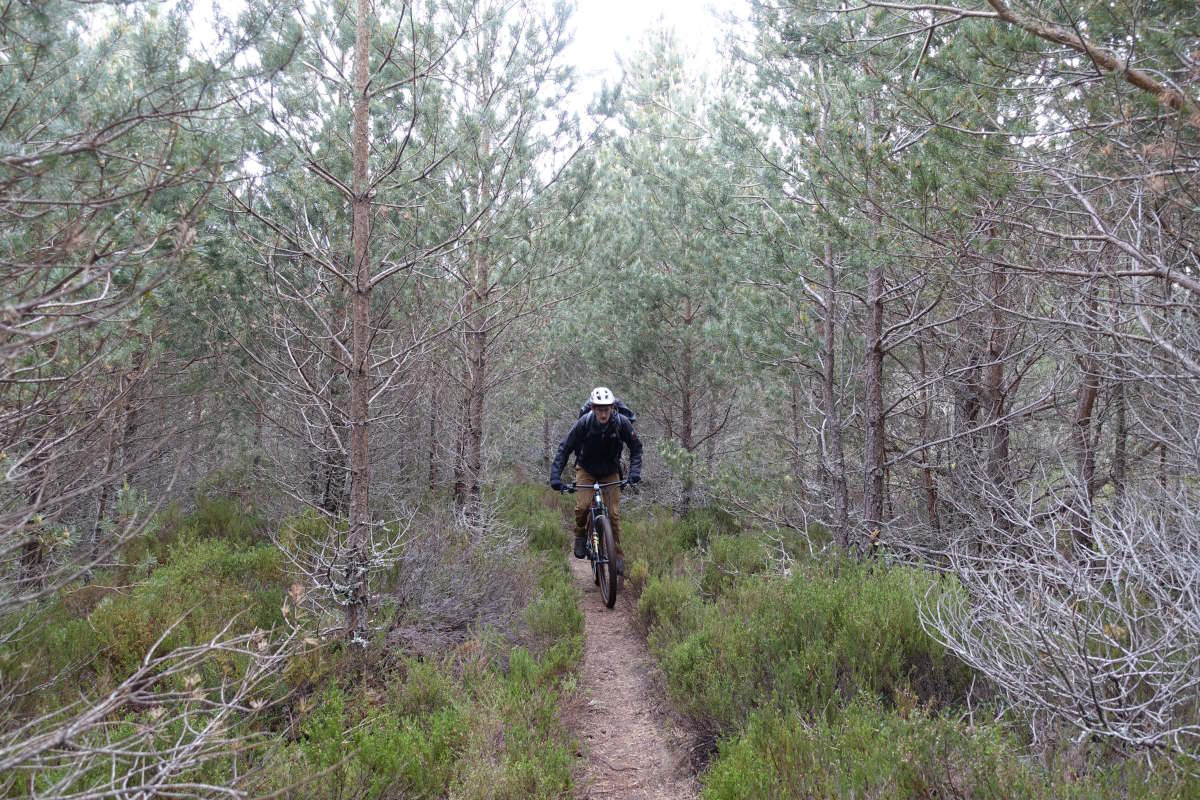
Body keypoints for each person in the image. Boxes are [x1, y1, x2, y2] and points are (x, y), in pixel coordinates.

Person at [549, 386, 642, 574]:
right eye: (599, 409)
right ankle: (581, 534)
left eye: (606, 409)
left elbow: (636, 448)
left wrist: (634, 473)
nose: (603, 413)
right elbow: (564, 448)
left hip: (610, 470)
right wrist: (555, 477)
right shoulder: (584, 423)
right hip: (587, 469)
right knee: (583, 506)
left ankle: (617, 556)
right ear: (592, 408)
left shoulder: (622, 423)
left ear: (612, 408)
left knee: (613, 514)